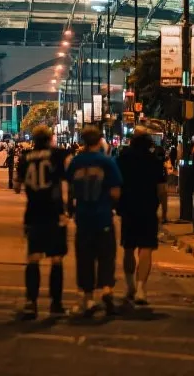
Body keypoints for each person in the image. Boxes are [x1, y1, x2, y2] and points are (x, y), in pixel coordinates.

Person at [14, 126, 70, 319]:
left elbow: (17, 186)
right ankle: (56, 303)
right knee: (56, 259)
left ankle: (31, 302)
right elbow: (69, 178)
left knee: (33, 257)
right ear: (50, 139)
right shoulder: (58, 155)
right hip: (54, 212)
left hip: (34, 212)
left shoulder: (25, 158)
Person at [67, 126, 122, 316]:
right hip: (103, 215)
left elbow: (69, 187)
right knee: (106, 256)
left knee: (85, 259)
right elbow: (116, 191)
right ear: (99, 141)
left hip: (83, 217)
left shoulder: (76, 162)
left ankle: (88, 298)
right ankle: (106, 289)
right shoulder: (107, 162)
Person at [116, 126, 167, 305]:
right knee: (146, 248)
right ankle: (140, 288)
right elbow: (162, 190)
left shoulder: (122, 159)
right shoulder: (155, 161)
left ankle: (129, 285)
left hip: (128, 207)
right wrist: (164, 211)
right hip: (148, 208)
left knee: (128, 247)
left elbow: (116, 184)